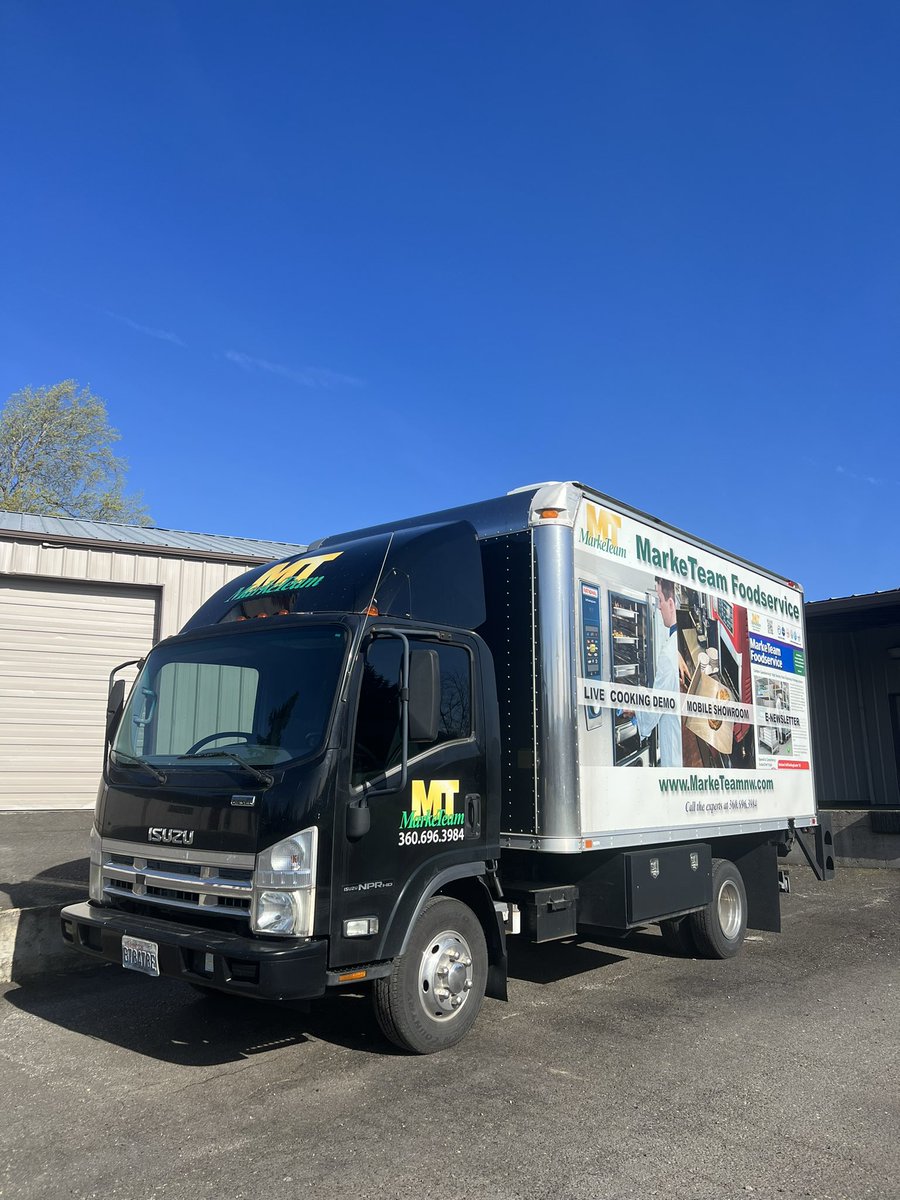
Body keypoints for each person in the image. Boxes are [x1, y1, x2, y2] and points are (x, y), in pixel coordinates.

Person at [625, 577, 685, 768]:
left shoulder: (670, 653)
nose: (659, 607)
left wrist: (635, 707)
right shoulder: (685, 643)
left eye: (659, 599)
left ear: (670, 603)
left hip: (677, 756)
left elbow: (657, 706)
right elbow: (668, 693)